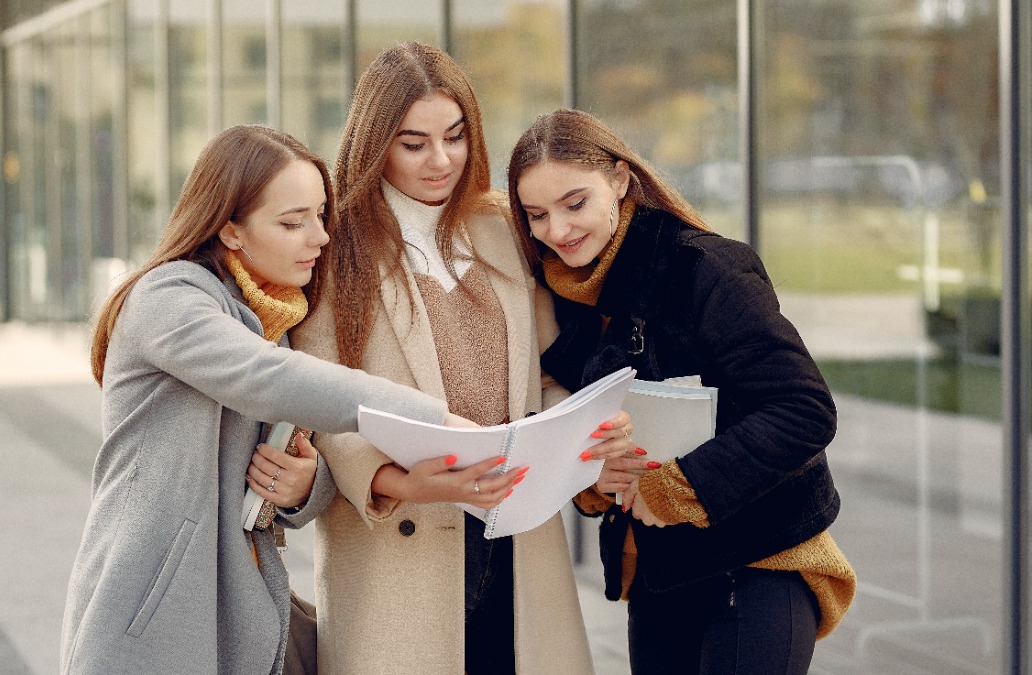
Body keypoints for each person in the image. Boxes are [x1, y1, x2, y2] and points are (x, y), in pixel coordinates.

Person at [59, 125, 484, 675]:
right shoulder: (168, 299)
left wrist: (306, 486)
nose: (321, 237)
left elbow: (274, 468)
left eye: (320, 215)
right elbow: (269, 378)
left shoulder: (274, 317)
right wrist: (440, 421)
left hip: (239, 603)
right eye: (292, 222)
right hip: (152, 614)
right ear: (230, 230)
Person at [290, 43, 630, 674]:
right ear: (374, 143)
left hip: (517, 533)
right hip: (399, 544)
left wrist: (582, 435)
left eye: (455, 136)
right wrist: (401, 482)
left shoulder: (505, 229)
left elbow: (546, 374)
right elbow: (317, 396)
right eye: (413, 143)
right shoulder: (335, 249)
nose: (441, 160)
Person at [506, 108, 857, 675]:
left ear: (620, 180)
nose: (558, 230)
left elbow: (805, 410)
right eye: (537, 215)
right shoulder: (567, 298)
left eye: (575, 204)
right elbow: (586, 421)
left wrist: (678, 485)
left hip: (759, 564)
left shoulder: (706, 269)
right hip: (658, 573)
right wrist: (595, 475)